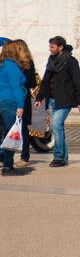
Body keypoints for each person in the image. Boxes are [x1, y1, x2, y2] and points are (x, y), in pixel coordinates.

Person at [35, 36, 80, 167]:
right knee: (57, 128)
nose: (50, 50)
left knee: (56, 125)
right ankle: (64, 156)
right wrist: (39, 98)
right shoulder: (51, 60)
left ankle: (58, 157)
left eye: (52, 47)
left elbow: (78, 81)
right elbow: (45, 80)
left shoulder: (70, 61)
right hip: (52, 100)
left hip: (65, 99)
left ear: (60, 47)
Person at [0, 42, 27, 176]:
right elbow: (16, 87)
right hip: (9, 102)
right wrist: (21, 105)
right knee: (11, 134)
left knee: (4, 135)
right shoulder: (12, 66)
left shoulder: (2, 65)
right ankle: (7, 166)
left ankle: (5, 162)